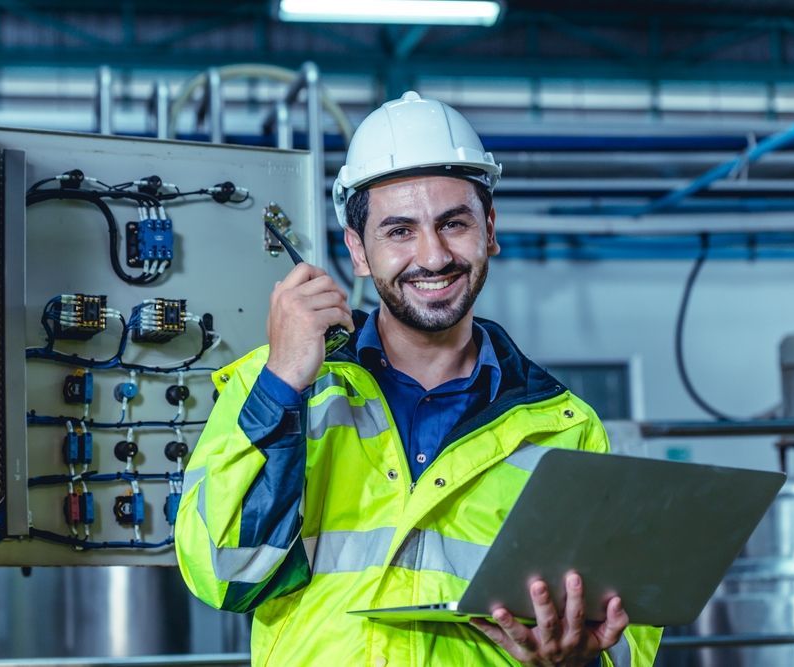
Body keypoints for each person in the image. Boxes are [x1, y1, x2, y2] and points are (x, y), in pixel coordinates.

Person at [176, 91, 662, 666]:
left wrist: (578, 661)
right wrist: (283, 381)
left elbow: (627, 637)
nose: (432, 257)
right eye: (399, 231)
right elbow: (222, 575)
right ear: (358, 250)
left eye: (453, 223)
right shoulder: (274, 387)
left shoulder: (564, 428)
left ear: (490, 229)